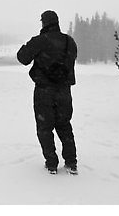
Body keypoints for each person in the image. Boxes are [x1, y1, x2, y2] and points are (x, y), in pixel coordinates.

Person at [17, 10, 79, 175]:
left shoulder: (39, 41)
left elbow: (22, 58)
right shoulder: (69, 41)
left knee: (44, 127)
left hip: (44, 91)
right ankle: (71, 163)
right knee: (64, 125)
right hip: (64, 91)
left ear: (44, 23)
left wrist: (30, 46)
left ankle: (51, 163)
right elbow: (71, 60)